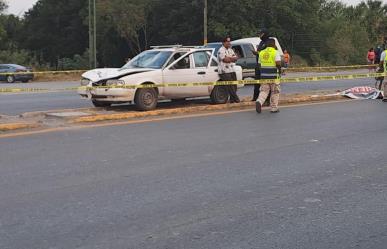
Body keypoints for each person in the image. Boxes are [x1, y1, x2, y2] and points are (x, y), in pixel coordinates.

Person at [255, 39, 282, 113]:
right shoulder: (275, 52)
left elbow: (259, 65)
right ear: (274, 44)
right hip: (273, 75)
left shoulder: (261, 52)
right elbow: (278, 63)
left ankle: (259, 101)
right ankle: (274, 108)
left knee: (264, 91)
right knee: (275, 91)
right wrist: (280, 71)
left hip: (264, 75)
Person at [217, 36, 240, 103]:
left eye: (230, 41)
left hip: (232, 70)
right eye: (227, 41)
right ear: (223, 42)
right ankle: (236, 99)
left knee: (234, 85)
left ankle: (232, 100)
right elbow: (225, 60)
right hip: (224, 71)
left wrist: (229, 58)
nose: (229, 43)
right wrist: (231, 58)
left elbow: (236, 59)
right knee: (230, 86)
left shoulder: (230, 49)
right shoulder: (221, 50)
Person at [251, 28, 271, 101]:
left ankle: (267, 99)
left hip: (266, 66)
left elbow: (267, 54)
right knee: (257, 82)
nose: (260, 35)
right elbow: (260, 51)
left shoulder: (269, 42)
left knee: (267, 84)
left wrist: (257, 53)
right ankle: (255, 98)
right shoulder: (261, 42)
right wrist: (256, 52)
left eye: (261, 34)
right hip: (258, 65)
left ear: (265, 34)